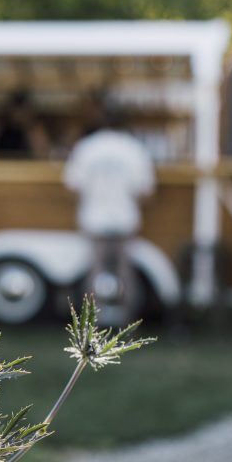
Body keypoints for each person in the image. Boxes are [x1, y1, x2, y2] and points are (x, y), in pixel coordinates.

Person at [64, 110, 155, 319]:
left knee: (95, 270)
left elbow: (72, 186)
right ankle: (127, 318)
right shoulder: (134, 148)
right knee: (125, 271)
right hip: (125, 218)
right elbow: (146, 192)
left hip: (94, 218)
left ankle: (92, 320)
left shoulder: (87, 147)